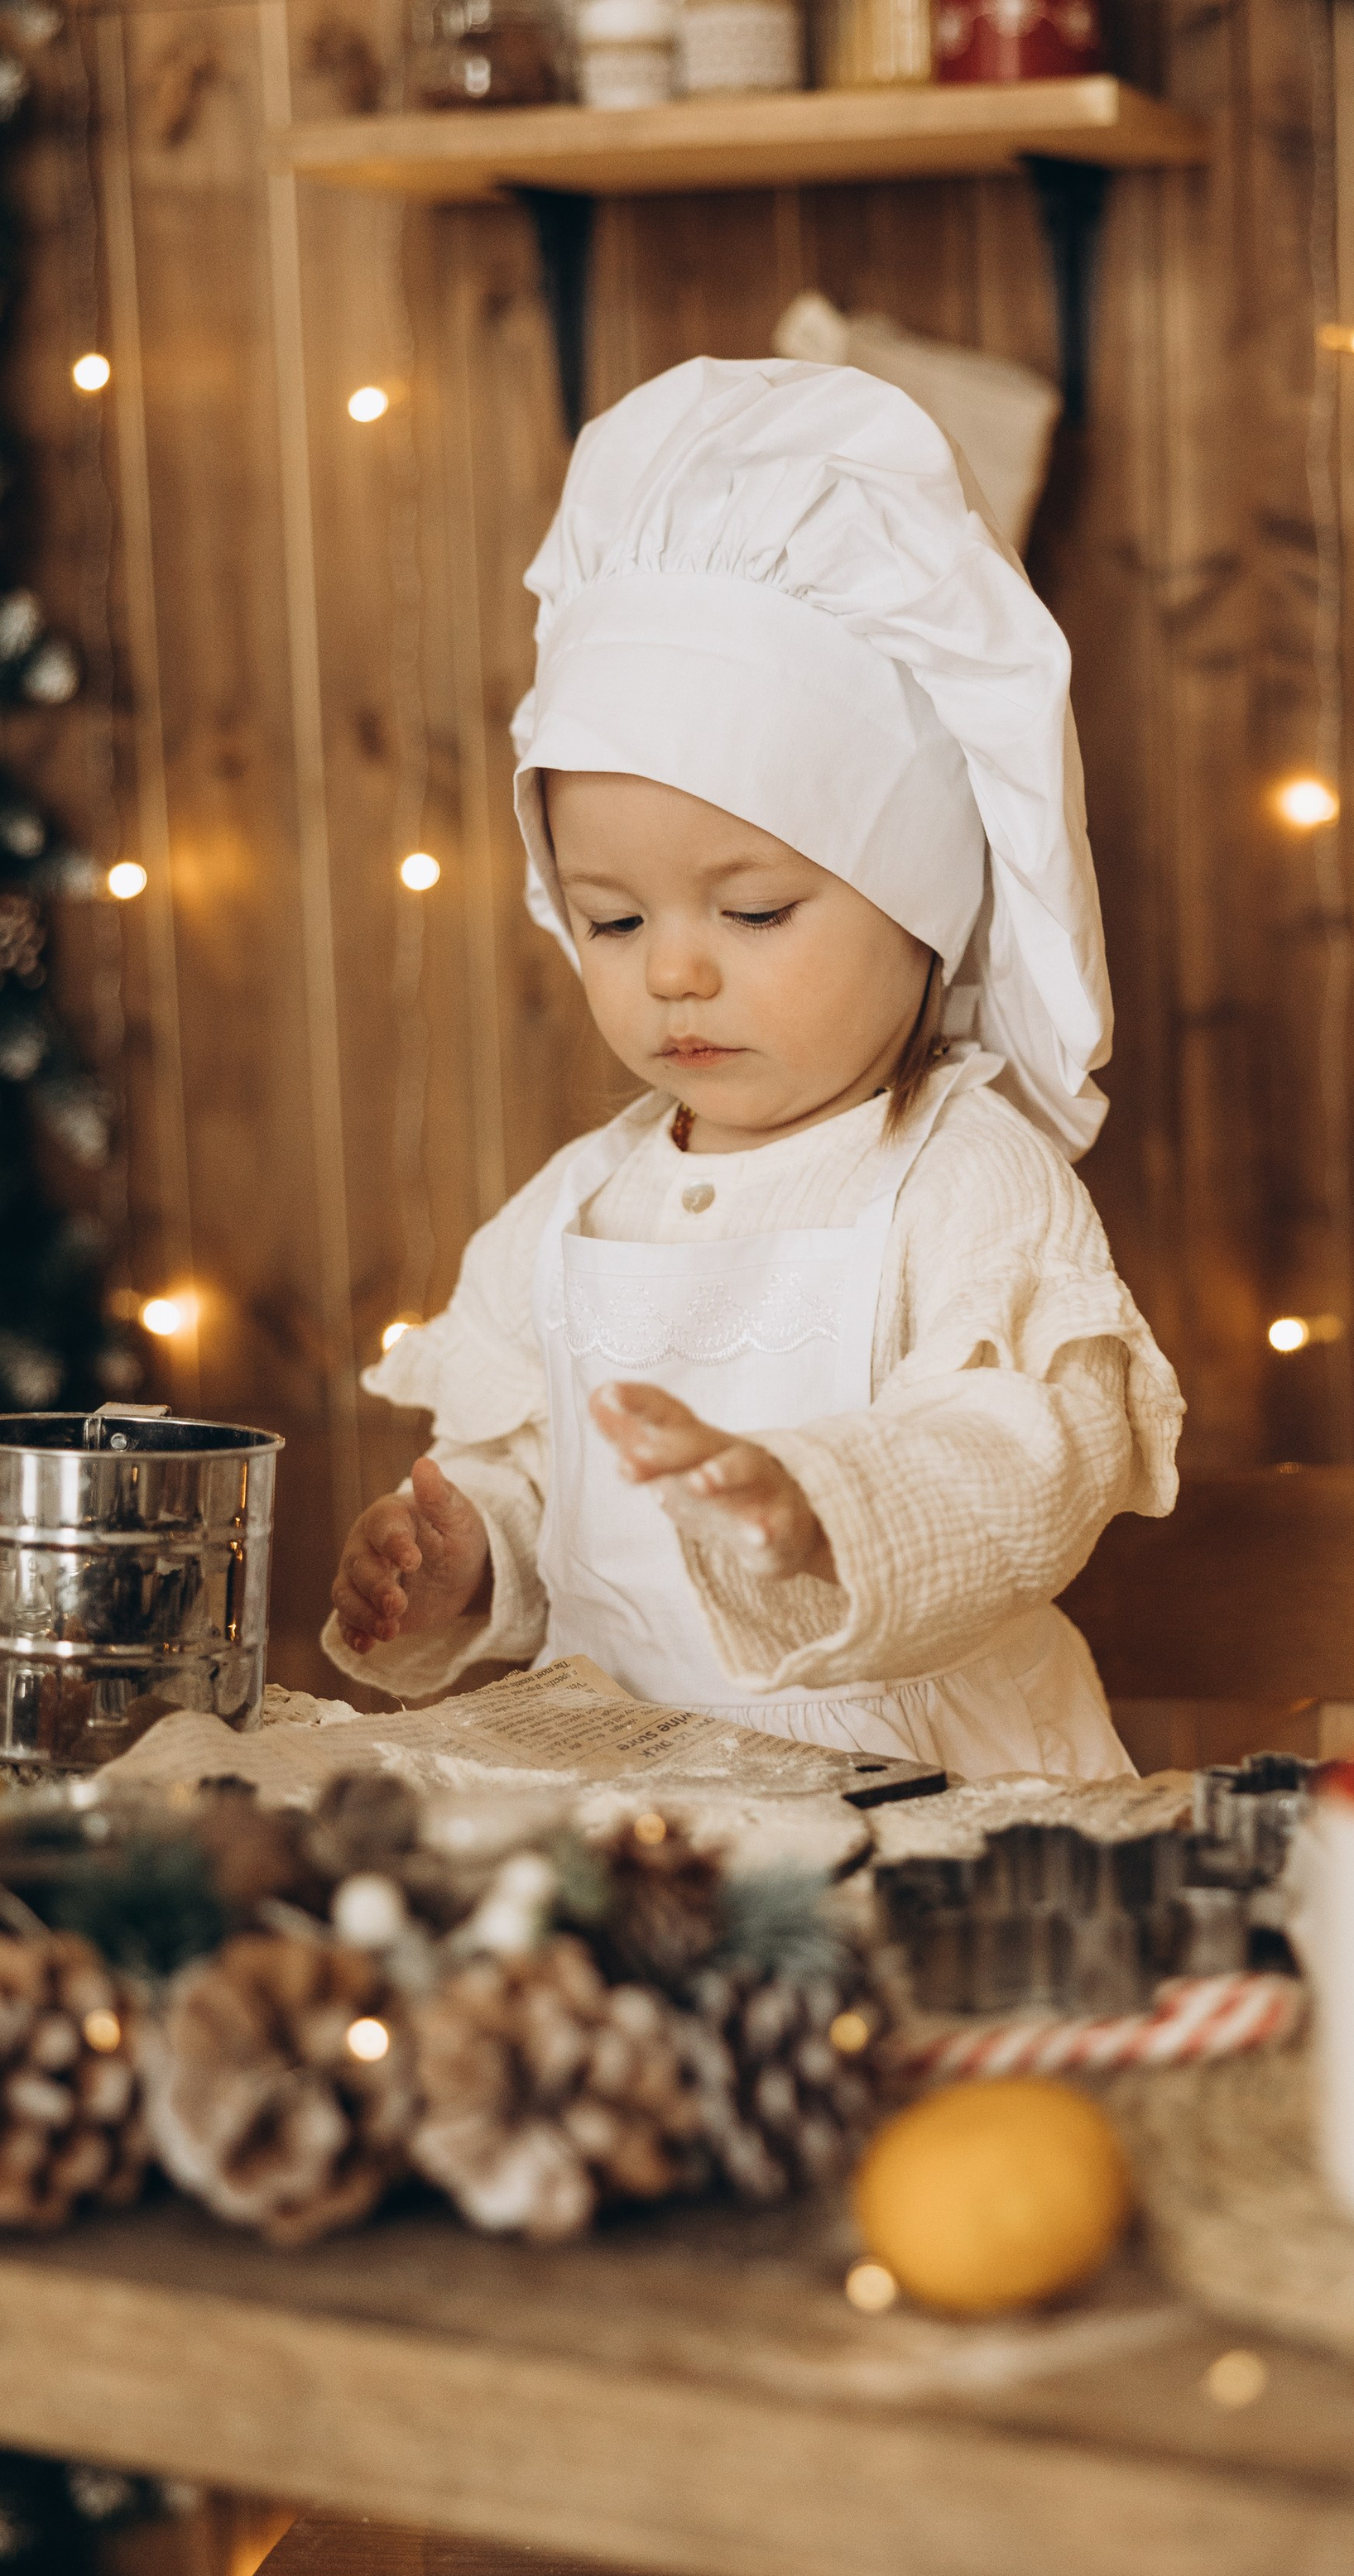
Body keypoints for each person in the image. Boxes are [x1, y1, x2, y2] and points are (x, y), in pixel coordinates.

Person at [326, 356, 1181, 1779]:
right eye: (613, 917)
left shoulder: (962, 1177)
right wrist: (475, 1549)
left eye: (755, 911)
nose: (673, 968)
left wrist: (826, 1505)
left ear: (918, 899)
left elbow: (1034, 1451)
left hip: (911, 1794)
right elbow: (565, 1499)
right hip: (629, 1800)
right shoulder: (585, 1206)